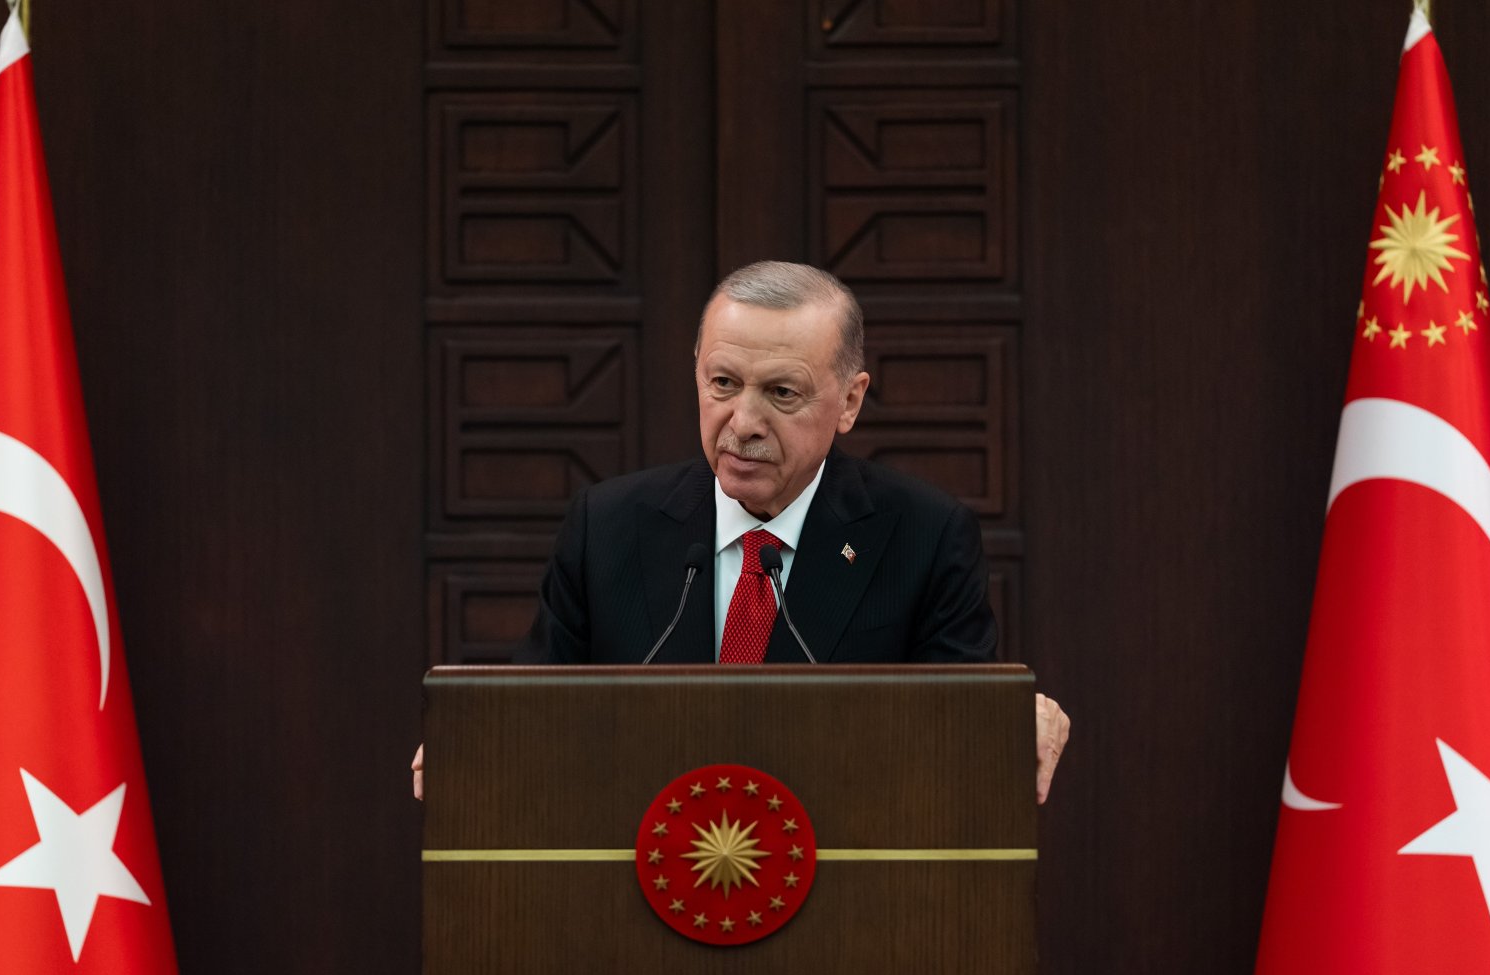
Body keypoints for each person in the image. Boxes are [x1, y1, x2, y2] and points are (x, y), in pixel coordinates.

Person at [413, 262, 1068, 799]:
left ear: (849, 401)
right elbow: (536, 712)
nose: (742, 421)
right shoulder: (608, 526)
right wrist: (480, 747)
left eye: (782, 393)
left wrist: (1001, 725)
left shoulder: (923, 537)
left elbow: (960, 737)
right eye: (723, 383)